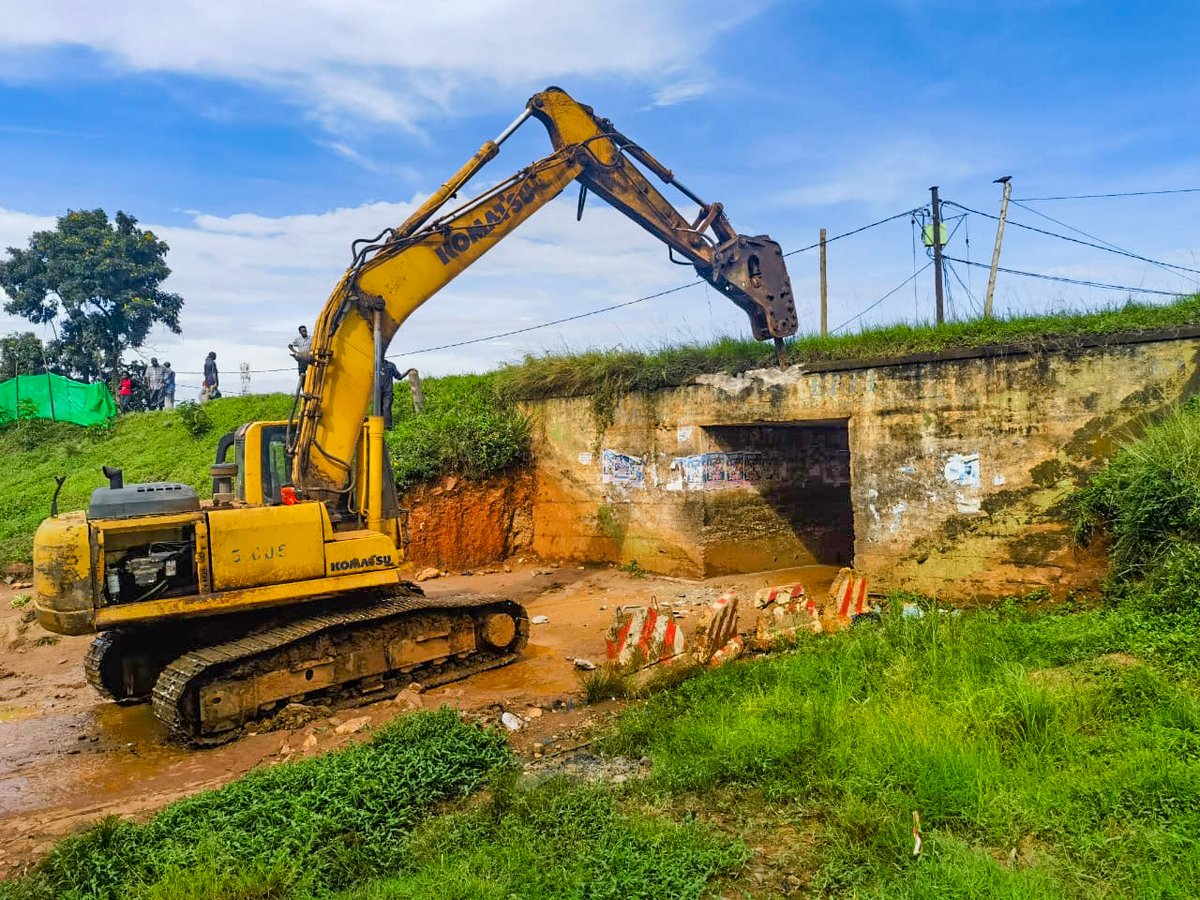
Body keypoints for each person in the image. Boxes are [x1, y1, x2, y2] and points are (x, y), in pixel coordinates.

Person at [378, 359, 402, 429]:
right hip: (377, 392)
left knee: (386, 407)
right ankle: (379, 426)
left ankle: (388, 426)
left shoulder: (390, 365)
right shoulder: (374, 364)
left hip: (388, 392)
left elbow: (398, 377)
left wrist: (408, 371)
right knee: (378, 409)